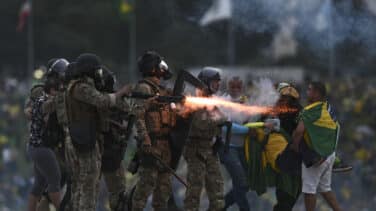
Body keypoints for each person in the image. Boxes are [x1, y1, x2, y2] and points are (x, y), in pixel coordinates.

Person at [63, 53, 130, 211]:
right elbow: (102, 101)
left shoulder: (78, 87)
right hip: (84, 141)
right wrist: (120, 93)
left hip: (84, 138)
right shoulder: (80, 87)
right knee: (88, 185)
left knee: (85, 184)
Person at [131, 50, 177, 211]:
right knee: (144, 190)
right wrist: (145, 140)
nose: (162, 68)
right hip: (152, 144)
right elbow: (138, 115)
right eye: (159, 65)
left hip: (165, 145)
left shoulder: (161, 90)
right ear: (152, 68)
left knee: (163, 193)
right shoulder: (144, 88)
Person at [291, 81, 342, 211]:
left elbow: (298, 132)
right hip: (329, 155)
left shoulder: (309, 110)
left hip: (315, 156)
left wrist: (295, 148)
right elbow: (336, 128)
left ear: (316, 93)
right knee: (325, 188)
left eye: (309, 90)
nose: (307, 92)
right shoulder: (328, 108)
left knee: (309, 190)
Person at [184, 67, 226, 211]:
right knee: (194, 191)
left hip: (210, 149)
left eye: (218, 82)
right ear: (205, 82)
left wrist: (219, 137)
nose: (217, 85)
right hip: (196, 151)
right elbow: (199, 124)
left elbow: (219, 121)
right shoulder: (195, 101)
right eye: (214, 82)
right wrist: (218, 120)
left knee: (217, 189)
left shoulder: (211, 101)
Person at [27, 76, 63, 211]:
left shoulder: (39, 100)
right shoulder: (44, 103)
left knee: (39, 183)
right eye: (58, 90)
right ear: (52, 90)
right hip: (41, 148)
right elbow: (48, 110)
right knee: (55, 178)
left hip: (34, 148)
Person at [219, 76, 250, 211]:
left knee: (245, 183)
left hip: (242, 148)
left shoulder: (245, 102)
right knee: (241, 182)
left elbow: (251, 119)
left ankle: (220, 207)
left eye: (238, 87)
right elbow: (226, 127)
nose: (236, 90)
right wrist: (248, 130)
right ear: (228, 87)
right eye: (233, 87)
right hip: (228, 147)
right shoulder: (224, 102)